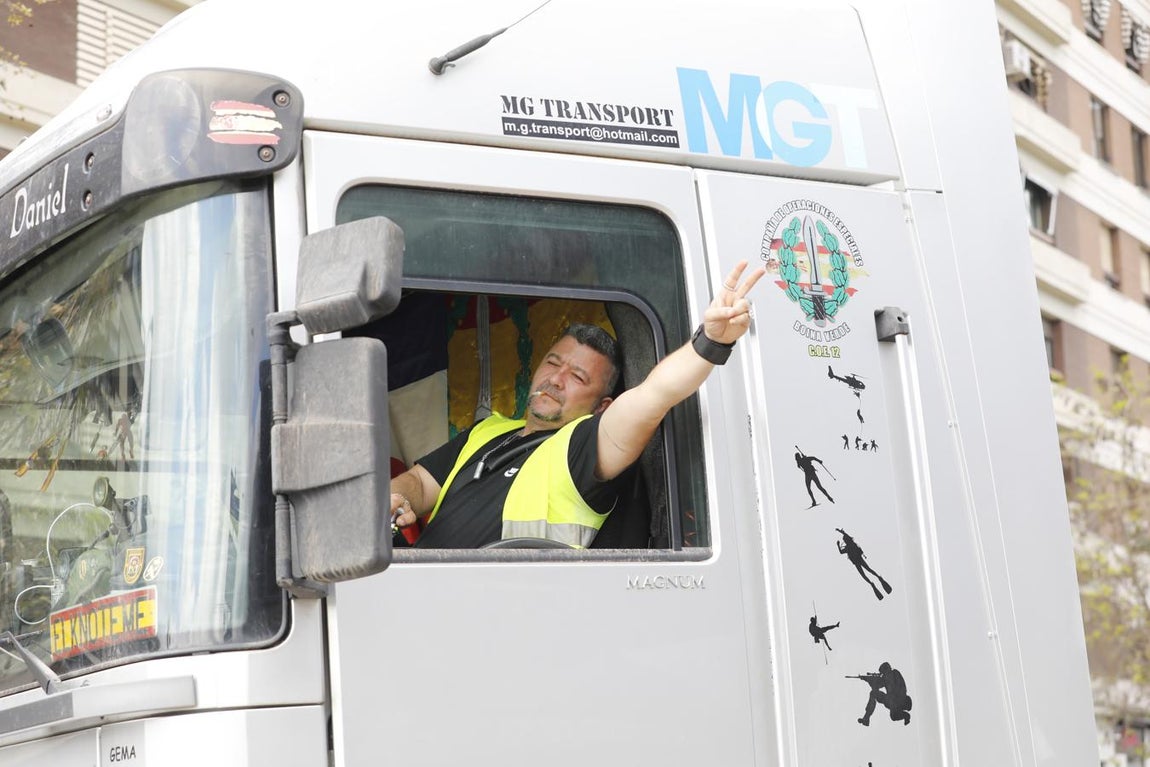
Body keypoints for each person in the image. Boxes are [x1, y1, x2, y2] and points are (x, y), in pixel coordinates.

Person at [388, 261, 765, 548]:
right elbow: (421, 481)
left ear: (601, 406)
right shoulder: (491, 429)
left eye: (578, 377)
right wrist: (400, 495)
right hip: (422, 594)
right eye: (553, 363)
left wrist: (711, 342)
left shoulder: (581, 447)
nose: (556, 378)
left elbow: (653, 395)